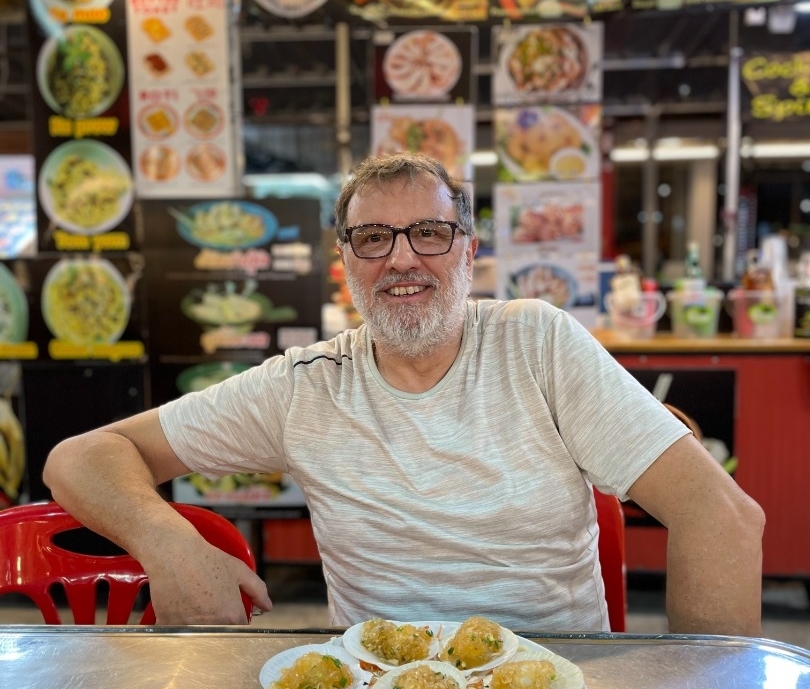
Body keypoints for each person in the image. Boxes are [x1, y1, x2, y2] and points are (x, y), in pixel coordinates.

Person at [43, 153, 764, 633]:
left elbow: (723, 517)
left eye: (429, 233)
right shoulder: (304, 385)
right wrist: (166, 538)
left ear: (469, 251)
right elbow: (82, 456)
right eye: (373, 239)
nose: (402, 259)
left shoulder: (538, 342)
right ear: (346, 264)